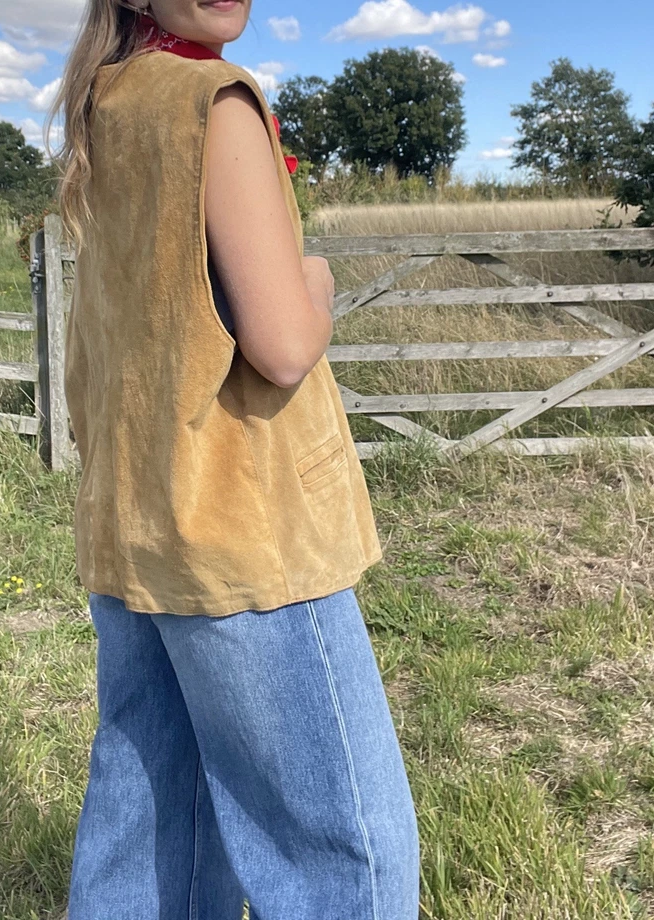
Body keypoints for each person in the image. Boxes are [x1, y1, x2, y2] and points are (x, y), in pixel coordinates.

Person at [48, 1, 421, 916]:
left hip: (138, 522)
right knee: (346, 854)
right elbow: (285, 345)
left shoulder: (102, 104)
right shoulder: (213, 99)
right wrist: (316, 281)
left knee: (151, 824)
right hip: (244, 534)